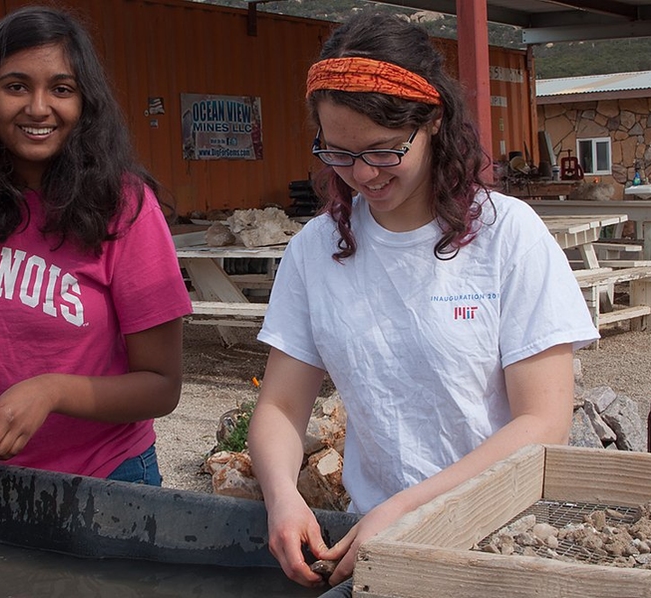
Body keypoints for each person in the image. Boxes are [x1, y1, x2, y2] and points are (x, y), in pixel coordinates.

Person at [247, 11, 599, 595]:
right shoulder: (315, 251)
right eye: (338, 152)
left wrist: (409, 507)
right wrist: (282, 497)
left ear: (433, 120)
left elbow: (544, 422)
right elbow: (282, 406)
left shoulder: (507, 236)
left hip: (503, 535)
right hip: (381, 543)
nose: (361, 174)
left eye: (384, 151)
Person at [0, 6, 191, 485]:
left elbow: (161, 386)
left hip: (110, 479)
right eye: (16, 86)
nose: (38, 107)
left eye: (62, 89)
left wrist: (50, 392)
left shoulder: (125, 204)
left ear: (85, 102)